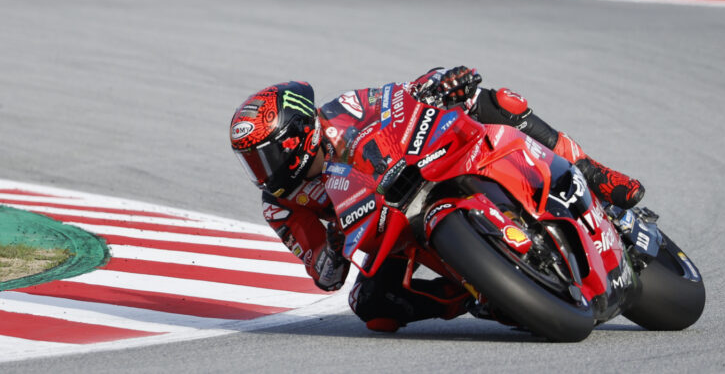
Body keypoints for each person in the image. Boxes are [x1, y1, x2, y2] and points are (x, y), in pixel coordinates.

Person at [229, 66, 644, 332]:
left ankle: (594, 172)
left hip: (424, 163)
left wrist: (435, 86)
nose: (262, 172)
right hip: (385, 230)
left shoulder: (344, 110)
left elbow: (397, 97)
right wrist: (334, 247)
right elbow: (325, 275)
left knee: (497, 102)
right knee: (371, 307)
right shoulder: (281, 205)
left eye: (265, 157)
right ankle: (474, 292)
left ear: (299, 134)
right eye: (252, 162)